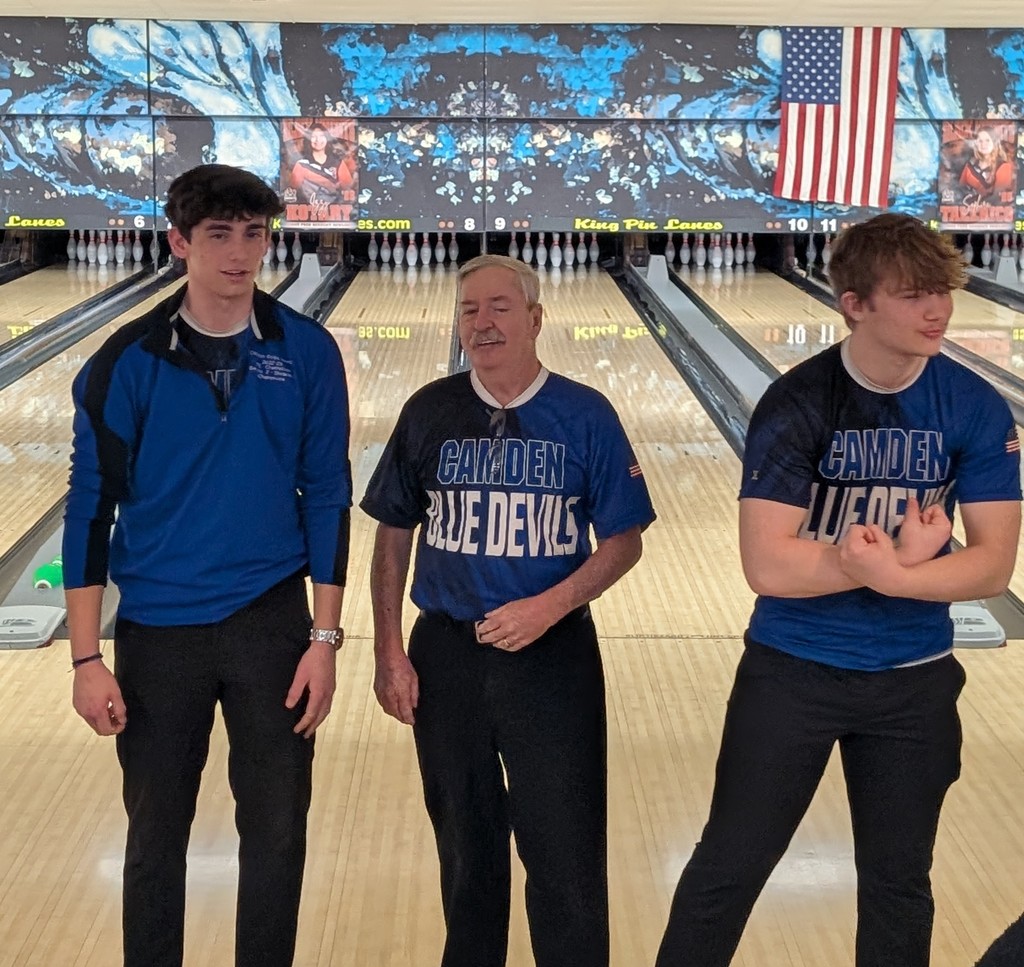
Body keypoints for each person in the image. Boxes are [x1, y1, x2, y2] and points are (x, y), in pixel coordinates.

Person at [655, 213, 1021, 967]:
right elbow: (768, 566)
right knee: (728, 868)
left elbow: (991, 567)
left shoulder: (974, 404)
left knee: (899, 885)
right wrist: (893, 567)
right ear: (854, 304)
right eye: (914, 294)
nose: (938, 310)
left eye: (943, 291)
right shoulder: (798, 402)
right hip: (793, 671)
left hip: (913, 682)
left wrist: (892, 574)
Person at [64, 163, 352, 967]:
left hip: (272, 621)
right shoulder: (123, 362)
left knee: (278, 834)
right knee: (155, 839)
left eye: (254, 234)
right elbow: (88, 510)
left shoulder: (307, 352)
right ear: (179, 242)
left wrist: (325, 639)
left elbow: (329, 493)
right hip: (158, 632)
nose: (239, 253)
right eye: (219, 234)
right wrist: (86, 659)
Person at [361, 254, 655, 967]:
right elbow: (393, 535)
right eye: (469, 310)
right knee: (466, 848)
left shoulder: (585, 413)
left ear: (535, 318)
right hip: (446, 655)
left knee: (566, 850)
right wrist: (388, 649)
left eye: (499, 307)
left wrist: (550, 607)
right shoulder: (428, 409)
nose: (483, 323)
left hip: (553, 656)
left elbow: (625, 541)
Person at [288, 122, 356, 208]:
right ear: (308, 140)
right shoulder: (301, 164)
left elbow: (348, 189)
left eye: (321, 136)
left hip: (335, 211)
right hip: (307, 210)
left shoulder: (337, 163)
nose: (318, 140)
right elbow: (292, 192)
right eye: (313, 137)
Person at [958, 127, 1014, 205]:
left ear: (994, 142)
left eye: (987, 140)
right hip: (965, 206)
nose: (983, 144)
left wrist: (978, 205)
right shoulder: (970, 164)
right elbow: (960, 188)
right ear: (976, 144)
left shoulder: (1004, 166)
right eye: (980, 141)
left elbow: (998, 198)